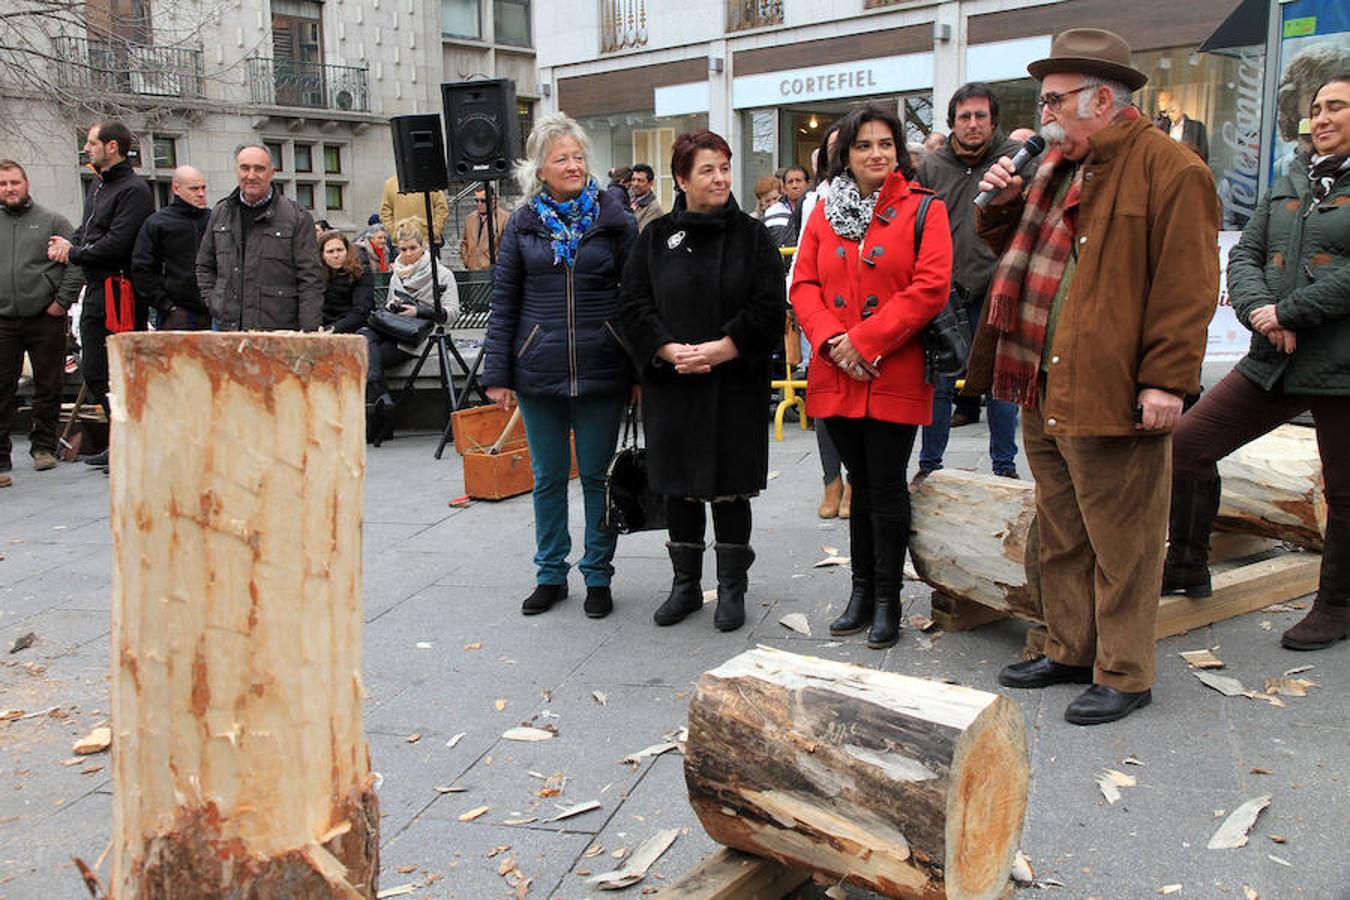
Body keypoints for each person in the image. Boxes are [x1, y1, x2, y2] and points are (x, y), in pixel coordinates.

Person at [974, 29, 1220, 724]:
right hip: (1042, 377)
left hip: (1113, 386)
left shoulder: (1171, 169)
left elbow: (1188, 287)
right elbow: (1014, 251)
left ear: (1102, 99)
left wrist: (1166, 381)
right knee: (1063, 531)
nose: (1044, 114)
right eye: (1045, 101)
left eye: (1055, 101)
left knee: (1125, 542)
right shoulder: (1056, 166)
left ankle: (1124, 671)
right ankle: (1070, 648)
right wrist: (1002, 201)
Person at [1164, 74, 1350, 651]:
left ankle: (1337, 606)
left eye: (1337, 107)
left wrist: (1290, 311)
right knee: (1188, 445)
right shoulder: (1292, 178)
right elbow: (1245, 253)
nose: (1322, 118)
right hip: (1275, 355)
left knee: (1345, 491)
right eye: (1317, 108)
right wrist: (1260, 313)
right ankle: (1187, 565)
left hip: (1340, 362)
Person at [790, 103, 953, 650]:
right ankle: (860, 593)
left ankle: (887, 600)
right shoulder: (822, 212)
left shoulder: (924, 208)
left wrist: (864, 341)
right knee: (859, 483)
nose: (875, 154)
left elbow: (930, 287)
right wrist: (832, 342)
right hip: (837, 369)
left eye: (885, 144)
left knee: (885, 484)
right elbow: (804, 285)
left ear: (898, 151)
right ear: (846, 154)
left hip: (892, 366)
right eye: (864, 146)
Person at [620, 130, 783, 632]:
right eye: (707, 170)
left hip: (734, 383)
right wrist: (667, 350)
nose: (719, 178)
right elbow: (634, 305)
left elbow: (768, 307)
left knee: (732, 488)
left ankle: (732, 588)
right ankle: (685, 585)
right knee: (680, 488)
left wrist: (723, 348)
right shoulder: (655, 238)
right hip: (674, 383)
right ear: (682, 179)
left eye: (724, 168)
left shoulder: (753, 237)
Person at [481, 113, 636, 619]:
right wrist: (498, 374)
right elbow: (504, 301)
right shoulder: (523, 224)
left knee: (596, 477)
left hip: (602, 366)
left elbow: (636, 298)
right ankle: (550, 574)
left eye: (578, 157)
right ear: (539, 170)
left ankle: (598, 575)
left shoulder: (615, 218)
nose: (573, 165)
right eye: (561, 159)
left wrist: (638, 370)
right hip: (538, 370)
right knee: (547, 478)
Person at [917, 83, 1032, 480]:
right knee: (940, 383)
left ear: (993, 120)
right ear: (952, 122)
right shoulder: (931, 166)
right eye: (964, 116)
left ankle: (1005, 468)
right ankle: (929, 468)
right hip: (943, 290)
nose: (972, 124)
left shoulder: (1016, 159)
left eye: (980, 115)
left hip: (998, 287)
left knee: (1000, 384)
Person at [46, 121, 153, 470]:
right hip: (96, 288)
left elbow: (118, 243)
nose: (86, 148)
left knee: (120, 370)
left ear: (112, 147)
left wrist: (73, 252)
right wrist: (70, 245)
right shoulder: (98, 184)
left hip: (120, 291)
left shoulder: (135, 190)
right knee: (94, 369)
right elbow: (88, 230)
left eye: (92, 143)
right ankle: (119, 439)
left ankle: (133, 445)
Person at [0, 160, 83, 477]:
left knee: (49, 384)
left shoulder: (52, 221)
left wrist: (62, 302)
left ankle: (43, 447)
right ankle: (1, 455)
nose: (10, 189)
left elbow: (76, 261)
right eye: (3, 184)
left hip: (45, 317)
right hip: (4, 320)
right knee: (2, 387)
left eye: (15, 182)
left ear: (27, 184)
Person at [790, 121, 852, 520]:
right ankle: (832, 481)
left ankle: (856, 480)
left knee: (861, 405)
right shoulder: (815, 198)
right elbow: (801, 257)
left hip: (863, 315)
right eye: (832, 151)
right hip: (822, 315)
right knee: (826, 403)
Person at [196, 144, 324, 332]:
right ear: (236, 170)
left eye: (259, 169)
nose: (251, 175)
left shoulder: (296, 217)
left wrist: (308, 333)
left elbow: (310, 278)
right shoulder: (221, 213)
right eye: (245, 168)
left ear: (272, 173)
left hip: (278, 331)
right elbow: (205, 266)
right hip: (228, 328)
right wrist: (215, 301)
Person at [359, 218, 458, 431]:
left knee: (368, 357)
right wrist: (392, 306)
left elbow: (452, 313)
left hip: (422, 336)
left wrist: (418, 311)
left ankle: (380, 410)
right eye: (403, 249)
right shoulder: (397, 273)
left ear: (423, 246)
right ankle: (380, 395)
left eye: (413, 248)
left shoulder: (442, 274)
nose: (408, 253)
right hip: (397, 328)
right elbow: (390, 304)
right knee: (364, 335)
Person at [131, 165, 211, 331]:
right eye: (194, 189)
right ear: (176, 189)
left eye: (203, 188)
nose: (201, 193)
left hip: (213, 311)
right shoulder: (158, 223)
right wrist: (165, 304)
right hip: (177, 313)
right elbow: (142, 268)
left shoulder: (214, 220)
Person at [319, 230, 374, 334]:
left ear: (347, 251)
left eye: (340, 250)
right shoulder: (315, 273)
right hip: (322, 326)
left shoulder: (361, 270)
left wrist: (333, 329)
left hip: (354, 326)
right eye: (330, 252)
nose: (336, 255)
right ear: (322, 254)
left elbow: (361, 309)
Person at [379, 175, 449, 247]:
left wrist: (435, 231)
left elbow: (442, 208)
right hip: (401, 240)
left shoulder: (430, 181)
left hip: (428, 239)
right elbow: (385, 212)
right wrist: (394, 233)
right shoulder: (390, 184)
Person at [459, 188, 510, 271]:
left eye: (483, 201)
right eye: (477, 200)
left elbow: (508, 247)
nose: (479, 204)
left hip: (493, 270)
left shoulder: (505, 218)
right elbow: (464, 242)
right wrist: (466, 260)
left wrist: (497, 264)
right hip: (472, 269)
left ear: (493, 200)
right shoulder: (469, 218)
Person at [762, 164, 809, 246]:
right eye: (790, 182)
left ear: (808, 184)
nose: (794, 186)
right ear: (784, 188)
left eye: (798, 181)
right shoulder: (772, 212)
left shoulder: (815, 208)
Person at [629, 163, 664, 232]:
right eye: (633, 180)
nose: (635, 184)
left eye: (640, 180)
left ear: (651, 183)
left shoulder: (654, 208)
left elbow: (641, 234)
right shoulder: (629, 200)